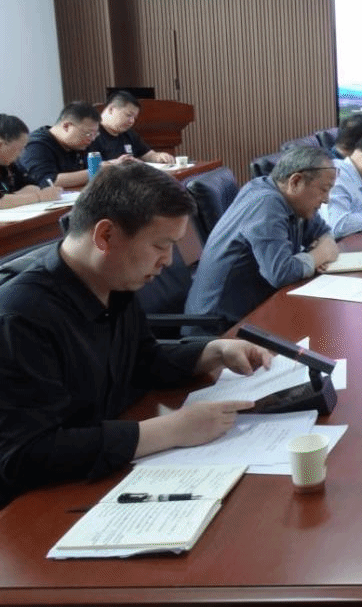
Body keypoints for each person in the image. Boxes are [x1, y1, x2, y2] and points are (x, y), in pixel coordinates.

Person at [0, 162, 271, 506]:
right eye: (160, 246)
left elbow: (142, 359)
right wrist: (171, 430)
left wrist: (213, 351)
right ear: (105, 236)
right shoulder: (20, 315)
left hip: (108, 471)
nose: (168, 261)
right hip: (40, 505)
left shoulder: (114, 279)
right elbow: (25, 454)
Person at [185, 146, 339, 328]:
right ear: (296, 181)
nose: (327, 199)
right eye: (323, 189)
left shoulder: (294, 201)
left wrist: (318, 252)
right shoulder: (266, 202)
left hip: (254, 311)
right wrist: (320, 255)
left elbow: (324, 233)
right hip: (217, 327)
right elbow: (281, 273)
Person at [16, 101, 102, 188]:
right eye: (88, 133)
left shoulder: (79, 144)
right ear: (66, 126)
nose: (92, 139)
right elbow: (47, 182)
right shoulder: (35, 145)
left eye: (95, 134)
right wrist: (97, 171)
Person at [88, 90, 175, 164]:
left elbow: (148, 154)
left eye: (134, 118)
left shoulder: (129, 134)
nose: (132, 121)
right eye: (128, 115)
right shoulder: (90, 134)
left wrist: (159, 156)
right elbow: (91, 168)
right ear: (111, 109)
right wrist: (115, 163)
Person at [0, 114, 62, 210]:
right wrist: (39, 197)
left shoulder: (9, 165)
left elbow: (33, 186)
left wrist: (14, 197)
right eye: (19, 149)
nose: (21, 154)